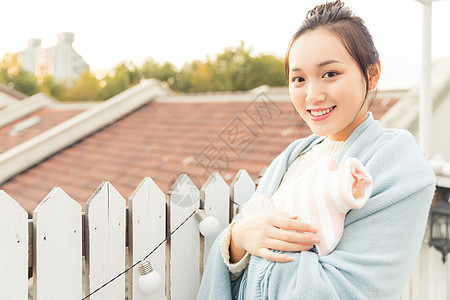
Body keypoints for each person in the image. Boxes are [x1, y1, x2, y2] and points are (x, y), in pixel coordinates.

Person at [197, 1, 436, 299]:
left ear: (372, 74)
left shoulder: (397, 164)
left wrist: (261, 243)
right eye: (298, 79)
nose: (312, 95)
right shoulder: (293, 156)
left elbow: (350, 288)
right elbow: (243, 248)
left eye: (330, 74)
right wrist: (237, 238)